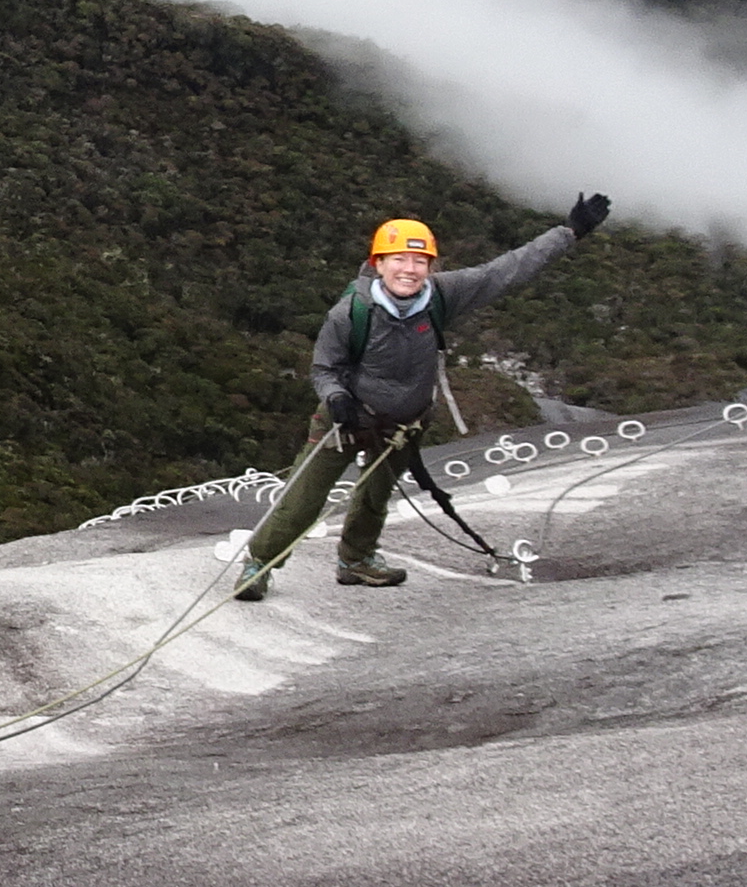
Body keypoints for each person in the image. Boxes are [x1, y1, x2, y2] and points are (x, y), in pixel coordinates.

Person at [234, 197, 612, 600]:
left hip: (403, 422)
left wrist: (569, 232)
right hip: (345, 418)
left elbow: (507, 271)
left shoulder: (441, 296)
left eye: (419, 262)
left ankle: (356, 561)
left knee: (375, 496)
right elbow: (323, 368)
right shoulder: (350, 313)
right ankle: (258, 565)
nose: (409, 270)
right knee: (303, 498)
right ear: (378, 263)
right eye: (398, 260)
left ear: (431, 267)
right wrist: (336, 396)